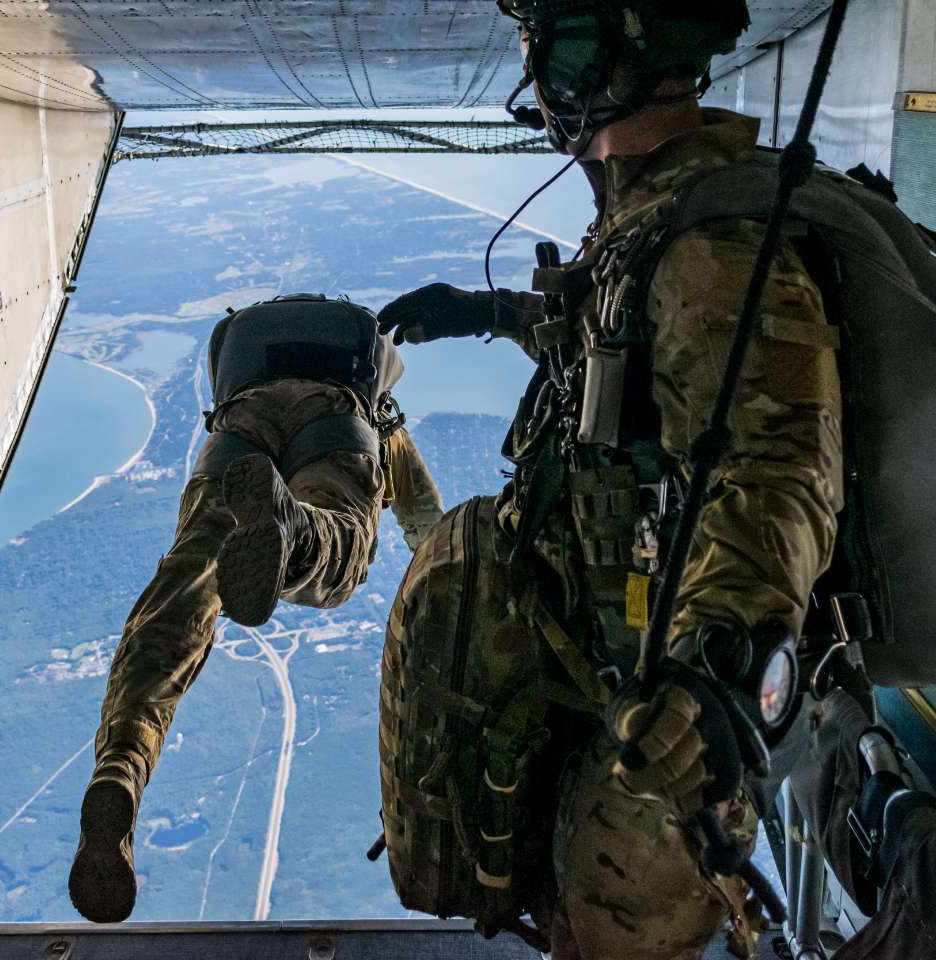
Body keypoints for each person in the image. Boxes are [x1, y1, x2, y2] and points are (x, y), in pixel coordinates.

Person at [377, 3, 844, 957]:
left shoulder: (713, 245)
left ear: (605, 63)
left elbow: (783, 466)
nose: (540, 72)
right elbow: (613, 351)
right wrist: (489, 313)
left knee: (612, 937)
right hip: (597, 646)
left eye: (557, 42)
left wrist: (710, 669)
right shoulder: (654, 212)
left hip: (659, 692)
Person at [68, 293, 443, 924]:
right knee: (340, 543)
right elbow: (429, 531)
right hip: (337, 424)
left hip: (237, 430)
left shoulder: (245, 378)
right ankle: (297, 534)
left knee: (180, 598)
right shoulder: (378, 413)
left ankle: (122, 768)